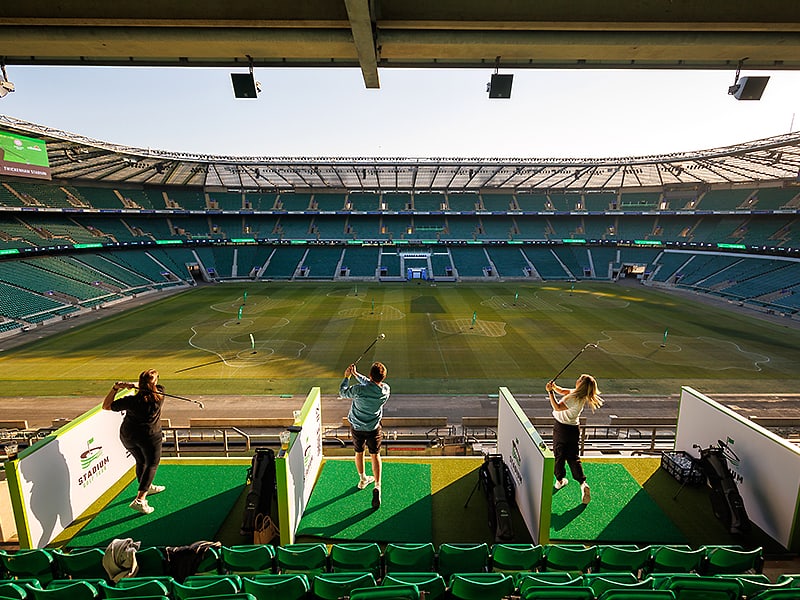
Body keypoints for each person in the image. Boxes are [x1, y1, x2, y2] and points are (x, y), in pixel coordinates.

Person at [102, 369, 166, 515]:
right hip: (150, 436)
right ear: (155, 383)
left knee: (140, 461)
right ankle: (140, 499)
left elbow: (106, 406)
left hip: (128, 435)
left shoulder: (131, 401)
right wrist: (135, 385)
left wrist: (116, 388)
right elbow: (150, 387)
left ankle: (146, 487)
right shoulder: (160, 394)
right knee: (151, 464)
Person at [339, 361, 390, 509]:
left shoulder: (358, 390)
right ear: (383, 377)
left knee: (359, 453)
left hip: (357, 427)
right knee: (375, 455)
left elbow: (342, 392)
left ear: (370, 375)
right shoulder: (386, 390)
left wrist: (347, 377)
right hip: (373, 428)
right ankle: (377, 485)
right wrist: (356, 374)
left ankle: (362, 480)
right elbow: (371, 384)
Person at [546, 373, 603, 505]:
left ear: (581, 384)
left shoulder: (573, 398)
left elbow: (557, 407)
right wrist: (554, 387)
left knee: (559, 455)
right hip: (573, 430)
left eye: (579, 379)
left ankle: (560, 481)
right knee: (573, 457)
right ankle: (583, 484)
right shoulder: (579, 395)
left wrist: (550, 393)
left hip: (561, 429)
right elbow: (564, 391)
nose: (577, 380)